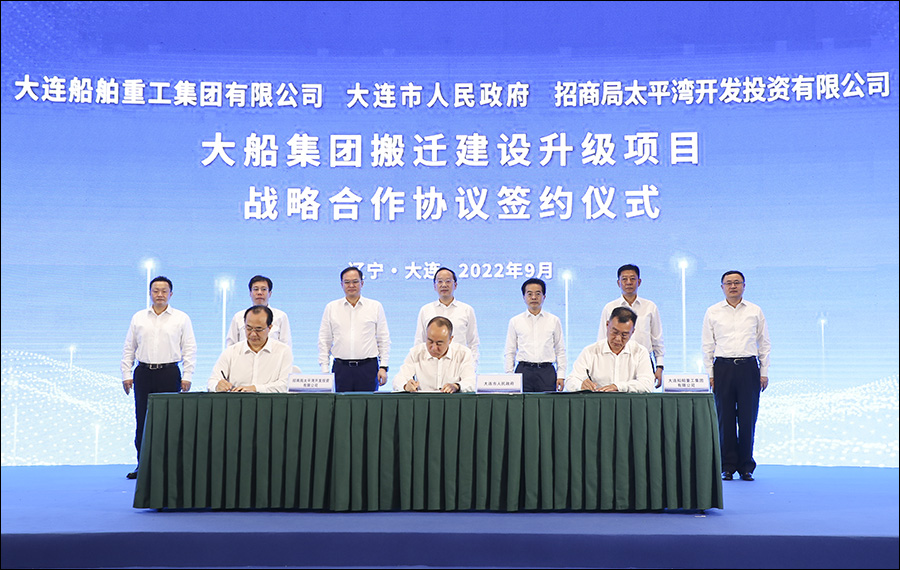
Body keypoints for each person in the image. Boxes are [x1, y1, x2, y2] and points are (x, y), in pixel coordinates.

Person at [121, 276, 196, 479]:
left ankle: (169, 466)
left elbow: (189, 348)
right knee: (142, 420)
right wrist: (126, 374)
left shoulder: (181, 318)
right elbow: (129, 347)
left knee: (170, 421)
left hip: (169, 373)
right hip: (143, 373)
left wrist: (187, 375)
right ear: (150, 293)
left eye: (164, 291)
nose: (160, 294)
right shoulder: (139, 318)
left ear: (171, 294)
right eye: (156, 291)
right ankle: (142, 465)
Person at [702, 270, 770, 482]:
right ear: (722, 287)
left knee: (748, 418)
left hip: (748, 367)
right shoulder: (713, 311)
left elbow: (764, 343)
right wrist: (710, 374)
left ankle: (746, 466)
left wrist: (764, 372)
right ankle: (728, 466)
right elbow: (707, 345)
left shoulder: (755, 311)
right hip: (723, 368)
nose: (733, 286)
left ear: (744, 285)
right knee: (725, 419)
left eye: (737, 282)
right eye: (728, 283)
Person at [318, 266, 391, 392]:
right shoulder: (331, 308)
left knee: (368, 404)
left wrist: (383, 367)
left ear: (362, 283)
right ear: (341, 284)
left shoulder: (375, 306)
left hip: (368, 368)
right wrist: (325, 371)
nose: (351, 285)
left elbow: (383, 339)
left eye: (355, 281)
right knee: (341, 404)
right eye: (347, 282)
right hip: (341, 369)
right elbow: (324, 341)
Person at [598, 264, 665, 388]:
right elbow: (602, 338)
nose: (628, 282)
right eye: (624, 279)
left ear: (639, 282)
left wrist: (659, 366)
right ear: (618, 283)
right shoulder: (609, 308)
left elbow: (657, 339)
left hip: (643, 361)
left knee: (643, 396)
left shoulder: (650, 307)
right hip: (616, 361)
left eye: (632, 279)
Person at [564, 306, 653, 393]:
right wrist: (581, 385)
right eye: (615, 332)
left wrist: (618, 387)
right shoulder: (590, 351)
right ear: (607, 325)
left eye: (624, 335)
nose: (618, 339)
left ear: (632, 332)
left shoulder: (640, 352)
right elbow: (570, 381)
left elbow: (647, 384)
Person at [209, 305, 292, 393]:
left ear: (270, 328)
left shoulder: (283, 351)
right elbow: (212, 382)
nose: (253, 334)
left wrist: (255, 389)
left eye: (258, 329)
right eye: (249, 328)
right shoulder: (231, 352)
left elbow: (285, 385)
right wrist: (217, 386)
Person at [504, 278, 567, 392]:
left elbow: (560, 350)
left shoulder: (554, 320)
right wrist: (509, 376)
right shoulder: (515, 321)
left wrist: (561, 375)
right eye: (529, 294)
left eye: (538, 294)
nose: (534, 297)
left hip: (546, 372)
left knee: (547, 403)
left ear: (544, 297)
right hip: (524, 371)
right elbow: (510, 351)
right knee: (522, 403)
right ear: (524, 297)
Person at [413, 267, 480, 369]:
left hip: (458, 367)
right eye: (440, 281)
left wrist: (471, 368)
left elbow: (473, 343)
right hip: (431, 368)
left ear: (455, 285)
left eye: (448, 281)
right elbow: (419, 342)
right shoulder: (426, 310)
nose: (444, 285)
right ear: (435, 286)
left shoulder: (466, 310)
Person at [393, 317, 476, 393]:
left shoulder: (463, 354)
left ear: (450, 340)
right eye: (430, 341)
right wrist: (406, 386)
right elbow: (398, 379)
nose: (433, 348)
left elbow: (471, 382)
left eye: (439, 343)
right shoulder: (416, 353)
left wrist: (456, 386)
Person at [225, 275, 291, 349]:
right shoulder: (238, 317)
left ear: (270, 293)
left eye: (264, 289)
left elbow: (286, 346)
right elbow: (230, 346)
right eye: (256, 289)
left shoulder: (280, 316)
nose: (259, 292)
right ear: (250, 293)